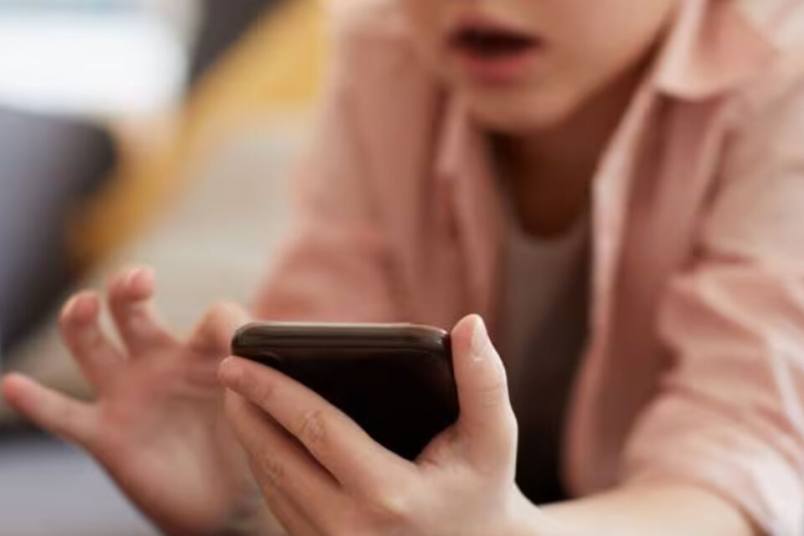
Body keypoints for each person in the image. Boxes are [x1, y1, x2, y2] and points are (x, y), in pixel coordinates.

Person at [3, 0, 804, 534]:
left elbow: (743, 467)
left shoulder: (785, 72)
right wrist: (247, 474)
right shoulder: (383, 46)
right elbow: (337, 347)